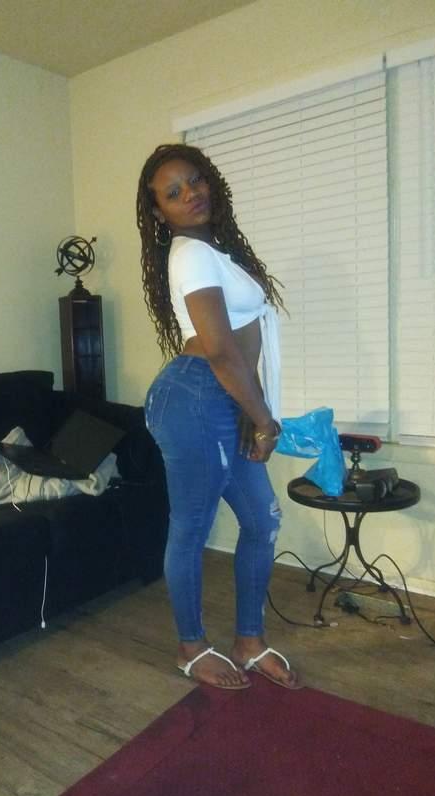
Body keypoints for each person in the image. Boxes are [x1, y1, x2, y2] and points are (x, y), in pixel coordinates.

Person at [136, 143, 301, 690]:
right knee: (192, 526)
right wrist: (264, 420)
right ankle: (191, 647)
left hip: (225, 396)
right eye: (173, 192)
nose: (191, 194)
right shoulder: (189, 254)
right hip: (196, 396)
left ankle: (248, 641)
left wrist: (253, 407)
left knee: (261, 521)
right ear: (160, 212)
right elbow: (222, 350)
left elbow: (240, 354)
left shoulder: (216, 252)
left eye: (195, 181)